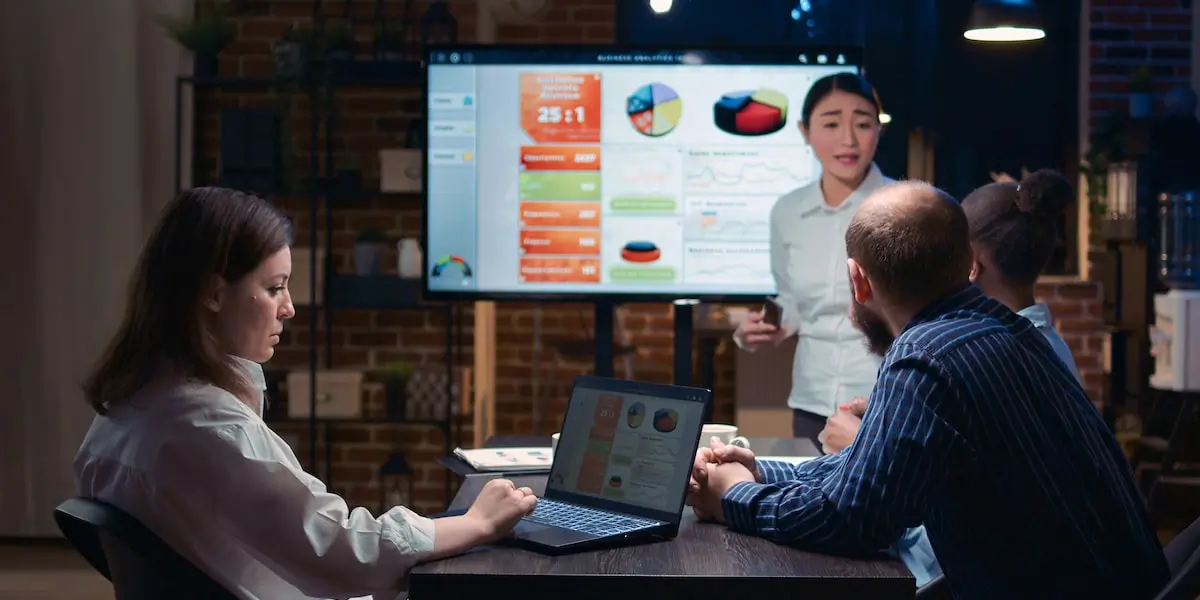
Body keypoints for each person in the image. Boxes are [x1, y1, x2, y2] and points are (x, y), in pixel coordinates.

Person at [688, 181, 1170, 600]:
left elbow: (855, 519)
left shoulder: (926, 356)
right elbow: (866, 470)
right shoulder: (1011, 330)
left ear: (858, 280)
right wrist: (759, 472)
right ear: (968, 263)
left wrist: (735, 497)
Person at [74, 188, 537, 600]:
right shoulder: (208, 429)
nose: (289, 308)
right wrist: (475, 523)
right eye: (274, 288)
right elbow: (345, 556)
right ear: (214, 294)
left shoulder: (122, 410)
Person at [812, 169, 1085, 586]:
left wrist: (866, 453)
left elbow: (944, 530)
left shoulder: (971, 354)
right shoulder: (1035, 344)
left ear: (969, 265)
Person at [733, 73, 891, 445]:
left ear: (879, 131)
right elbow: (792, 301)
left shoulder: (903, 206)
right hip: (811, 402)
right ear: (805, 131)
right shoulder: (787, 212)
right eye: (831, 123)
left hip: (886, 397)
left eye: (863, 124)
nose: (848, 139)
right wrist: (759, 331)